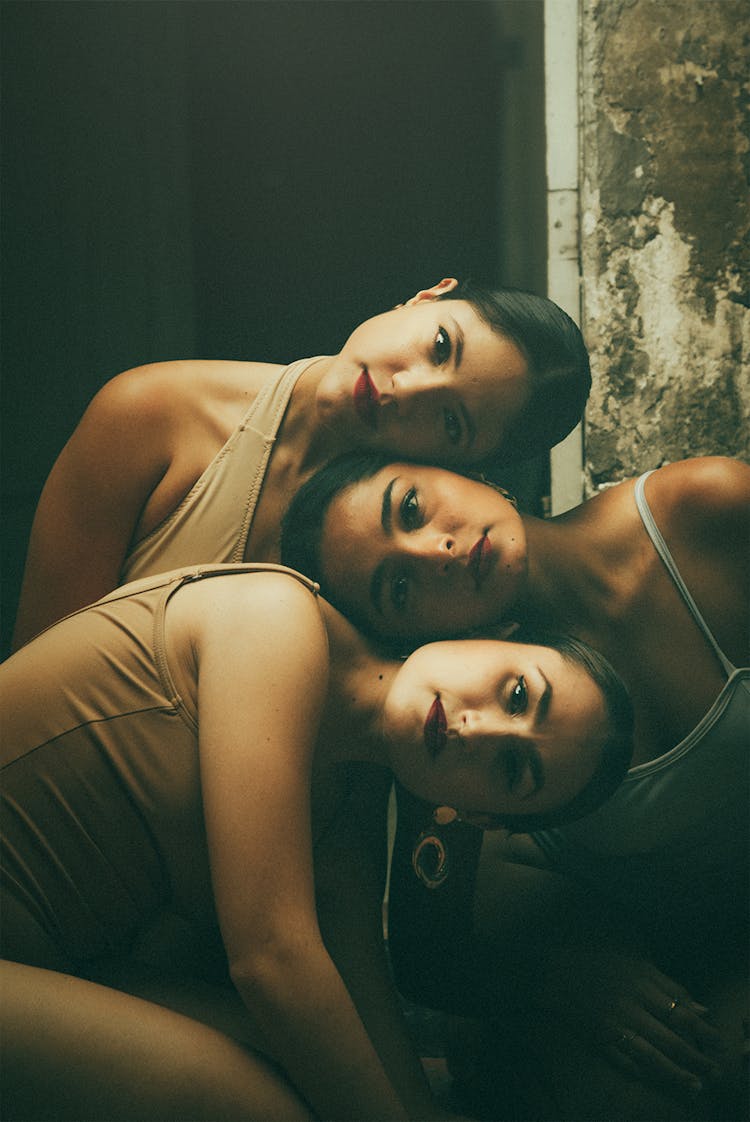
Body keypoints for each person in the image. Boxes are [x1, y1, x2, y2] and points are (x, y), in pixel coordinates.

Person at [0, 561, 633, 1122]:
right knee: (257, 1105)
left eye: (513, 770)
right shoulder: (275, 620)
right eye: (519, 693)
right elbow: (273, 958)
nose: (481, 730)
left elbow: (369, 1036)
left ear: (478, 817)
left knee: (314, 1066)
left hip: (37, 964)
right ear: (496, 637)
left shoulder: (343, 820)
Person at [280, 452, 750, 1120]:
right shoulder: (466, 727)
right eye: (401, 590)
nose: (435, 551)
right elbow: (424, 947)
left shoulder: (706, 510)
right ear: (409, 636)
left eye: (410, 507)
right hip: (676, 964)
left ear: (460, 468)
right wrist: (569, 977)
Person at [11, 278, 591, 651]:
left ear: (469, 467)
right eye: (441, 345)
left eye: (451, 423)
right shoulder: (149, 417)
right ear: (426, 297)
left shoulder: (412, 584)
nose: (408, 389)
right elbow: (34, 693)